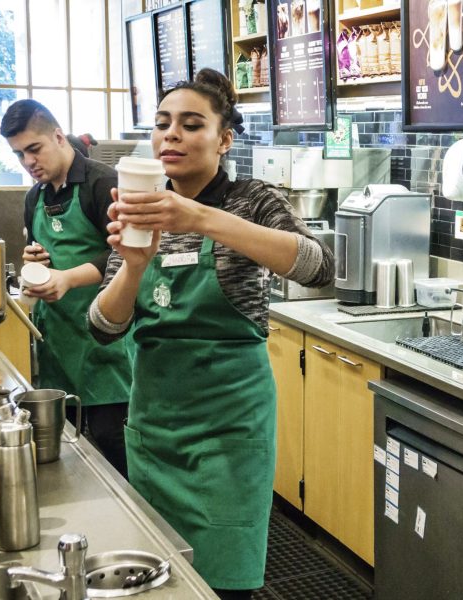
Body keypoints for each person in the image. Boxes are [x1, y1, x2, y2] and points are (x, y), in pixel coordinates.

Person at [88, 69, 334, 598]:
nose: (170, 135)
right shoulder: (142, 204)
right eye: (162, 124)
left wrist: (199, 218)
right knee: (158, 580)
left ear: (224, 139)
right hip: (156, 425)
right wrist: (132, 266)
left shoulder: (251, 200)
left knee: (224, 581)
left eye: (190, 124)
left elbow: (317, 266)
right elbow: (105, 327)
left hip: (228, 430)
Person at [0, 99, 133, 477]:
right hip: (59, 344)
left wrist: (69, 278)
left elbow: (132, 256)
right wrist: (35, 263)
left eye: (34, 149)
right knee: (70, 459)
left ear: (58, 136)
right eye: (18, 154)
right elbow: (44, 255)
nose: (28, 162)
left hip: (107, 347)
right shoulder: (35, 197)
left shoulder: (102, 185)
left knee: (115, 450)